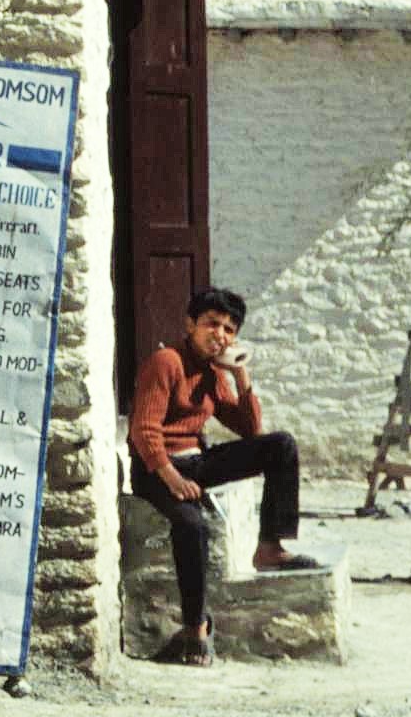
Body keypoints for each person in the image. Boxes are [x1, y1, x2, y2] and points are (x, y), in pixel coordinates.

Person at [128, 286, 319, 667]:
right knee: (191, 525)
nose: (220, 335)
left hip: (195, 462)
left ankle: (270, 547)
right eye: (212, 324)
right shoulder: (166, 362)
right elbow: (143, 430)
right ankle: (195, 629)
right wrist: (172, 478)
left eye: (229, 330)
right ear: (191, 324)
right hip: (155, 468)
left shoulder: (213, 374)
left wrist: (240, 373)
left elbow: (250, 429)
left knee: (280, 446)